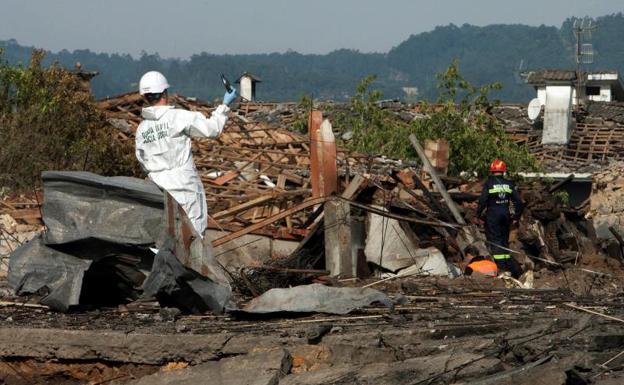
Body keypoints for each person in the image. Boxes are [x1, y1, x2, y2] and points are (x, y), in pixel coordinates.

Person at [135, 71, 237, 236]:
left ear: (145, 97)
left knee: (164, 238)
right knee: (192, 236)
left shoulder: (142, 129)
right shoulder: (179, 117)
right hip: (184, 187)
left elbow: (142, 161)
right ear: (165, 93)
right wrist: (224, 106)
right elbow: (212, 129)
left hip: (157, 189)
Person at [476, 159, 523, 278]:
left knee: (495, 241)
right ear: (503, 171)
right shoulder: (509, 184)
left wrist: (478, 214)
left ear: (492, 170)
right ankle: (508, 267)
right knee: (503, 241)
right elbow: (518, 201)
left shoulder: (489, 183)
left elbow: (482, 201)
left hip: (493, 216)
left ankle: (501, 268)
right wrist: (516, 216)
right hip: (505, 216)